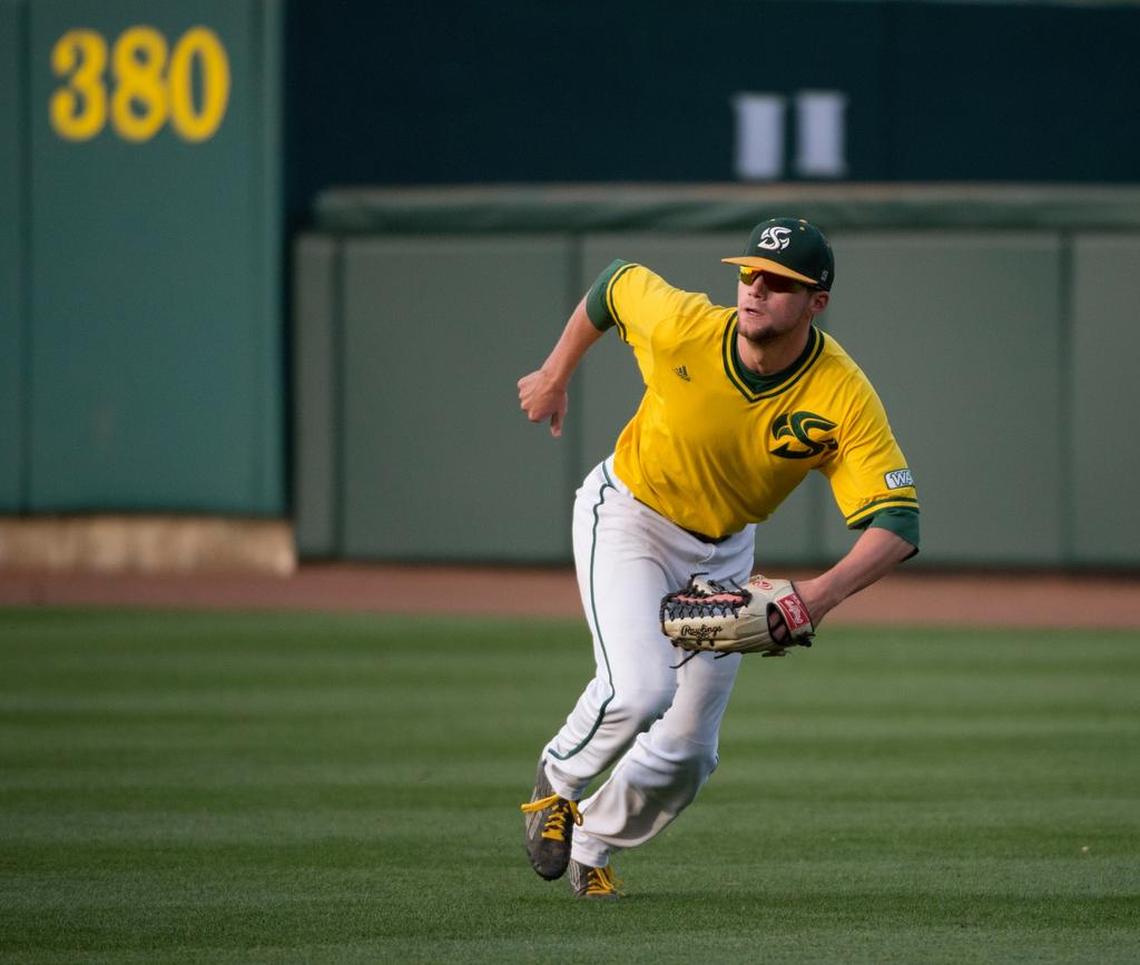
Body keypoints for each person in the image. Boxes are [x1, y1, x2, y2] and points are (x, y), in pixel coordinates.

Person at [516, 218, 919, 900]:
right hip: (629, 518)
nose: (755, 289)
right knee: (642, 687)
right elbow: (613, 283)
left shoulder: (840, 392)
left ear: (816, 301)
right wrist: (555, 375)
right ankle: (556, 780)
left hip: (726, 551)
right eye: (748, 273)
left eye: (779, 282)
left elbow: (898, 522)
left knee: (689, 752)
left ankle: (591, 840)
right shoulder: (683, 326)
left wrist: (815, 596)